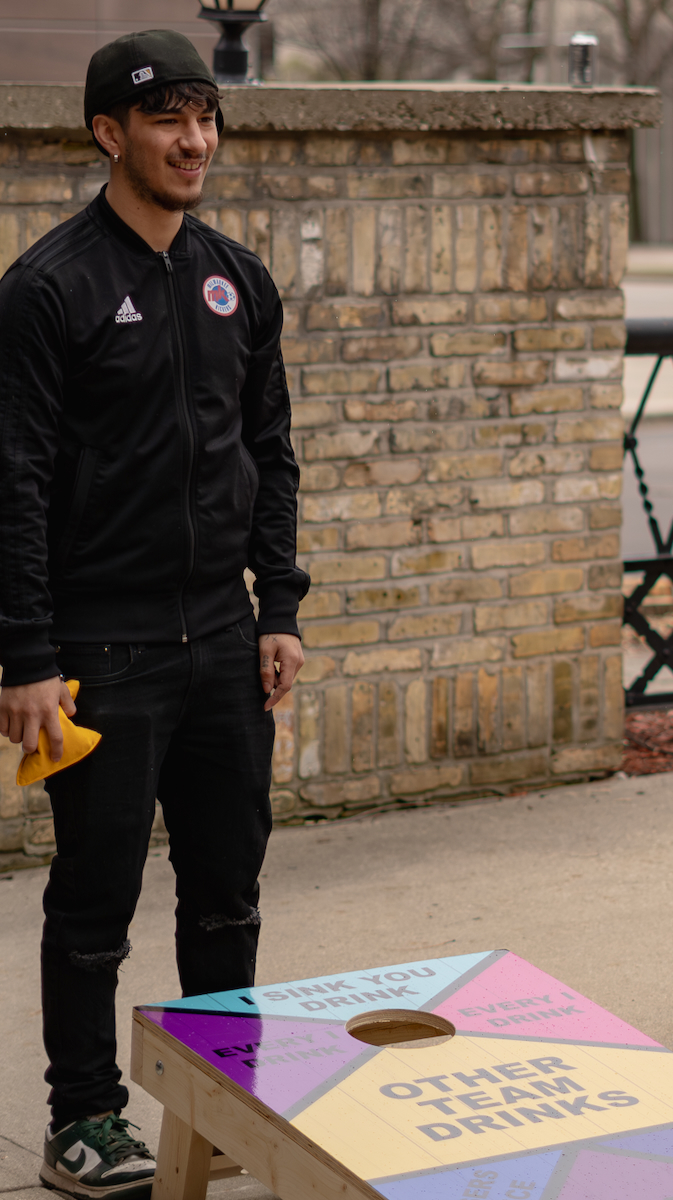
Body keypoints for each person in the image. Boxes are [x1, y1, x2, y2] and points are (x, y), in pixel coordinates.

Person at [0, 30, 307, 1200]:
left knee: (229, 887)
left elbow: (270, 453)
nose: (194, 141)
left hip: (222, 638)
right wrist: (24, 652)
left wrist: (276, 604)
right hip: (100, 648)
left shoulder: (237, 277)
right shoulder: (46, 290)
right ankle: (84, 1119)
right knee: (96, 898)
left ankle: (219, 1103)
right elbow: (14, 479)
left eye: (207, 117)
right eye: (169, 119)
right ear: (107, 134)